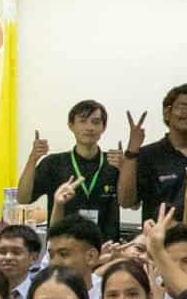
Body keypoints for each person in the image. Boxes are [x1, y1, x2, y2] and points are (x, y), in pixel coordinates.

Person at [21, 100, 132, 243]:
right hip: (63, 248)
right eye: (83, 121)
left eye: (96, 122)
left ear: (103, 127)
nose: (89, 127)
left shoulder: (114, 164)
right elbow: (23, 198)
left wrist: (126, 170)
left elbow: (132, 204)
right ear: (71, 125)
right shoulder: (53, 163)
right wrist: (32, 159)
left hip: (106, 249)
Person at [121, 83, 187, 224]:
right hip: (162, 239)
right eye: (182, 107)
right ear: (167, 112)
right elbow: (126, 201)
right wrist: (131, 151)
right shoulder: (148, 154)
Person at [0, 224, 41, 299]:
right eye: (2, 252)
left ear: (33, 258)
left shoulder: (40, 296)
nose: (8, 257)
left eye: (16, 252)